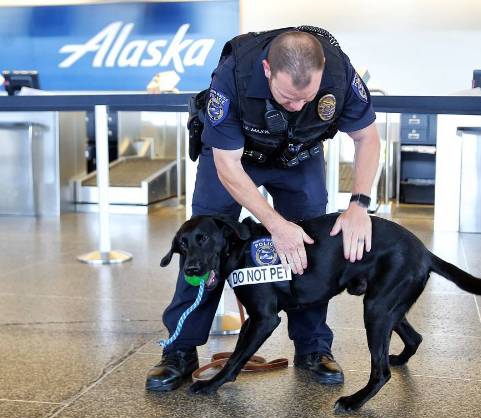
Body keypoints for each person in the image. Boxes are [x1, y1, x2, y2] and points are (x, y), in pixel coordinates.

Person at [146, 26, 380, 392]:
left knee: (308, 245)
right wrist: (274, 223)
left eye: (308, 98)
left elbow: (367, 137)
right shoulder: (233, 76)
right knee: (202, 242)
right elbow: (226, 164)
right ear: (268, 69)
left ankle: (313, 347)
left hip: (299, 155)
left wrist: (359, 205)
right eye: (289, 98)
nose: (299, 107)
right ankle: (181, 348)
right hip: (235, 157)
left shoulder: (339, 73)